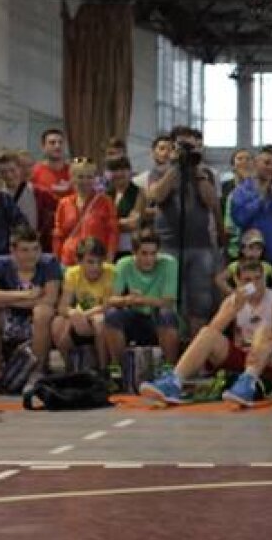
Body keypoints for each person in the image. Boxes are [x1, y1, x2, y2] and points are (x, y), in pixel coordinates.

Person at [140, 259, 272, 407]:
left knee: (263, 328)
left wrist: (263, 350)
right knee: (207, 333)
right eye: (248, 280)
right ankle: (174, 381)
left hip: (270, 356)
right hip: (243, 354)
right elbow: (212, 331)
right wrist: (234, 309)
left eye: (259, 278)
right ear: (238, 282)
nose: (255, 284)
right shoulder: (233, 301)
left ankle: (248, 382)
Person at [147, 127, 222, 331]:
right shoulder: (159, 171)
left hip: (200, 245)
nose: (188, 151)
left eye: (192, 146)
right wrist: (175, 167)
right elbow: (156, 196)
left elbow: (212, 202)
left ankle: (196, 350)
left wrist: (195, 171)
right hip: (169, 245)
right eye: (183, 146)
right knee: (171, 300)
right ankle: (173, 348)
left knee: (201, 301)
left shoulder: (204, 173)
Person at [0, 226, 62, 395]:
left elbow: (49, 300)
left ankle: (37, 372)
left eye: (36, 249)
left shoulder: (49, 263)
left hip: (36, 320)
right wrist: (24, 295)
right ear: (12, 250)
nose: (31, 255)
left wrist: (4, 300)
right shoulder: (1, 263)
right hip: (9, 318)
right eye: (25, 250)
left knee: (42, 311)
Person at [103, 229, 182, 367]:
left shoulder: (169, 263)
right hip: (135, 316)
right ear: (134, 252)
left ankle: (170, 368)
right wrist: (128, 299)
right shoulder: (124, 264)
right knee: (112, 315)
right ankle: (119, 367)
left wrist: (142, 300)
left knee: (167, 314)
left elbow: (168, 301)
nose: (149, 259)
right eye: (144, 254)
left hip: (157, 318)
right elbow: (110, 299)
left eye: (153, 254)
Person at [229, 144, 272, 294]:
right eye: (266, 163)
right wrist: (260, 197)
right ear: (256, 163)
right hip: (251, 261)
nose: (270, 167)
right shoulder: (242, 190)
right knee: (250, 306)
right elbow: (239, 219)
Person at [52, 237, 115, 370]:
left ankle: (103, 370)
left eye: (99, 262)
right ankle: (73, 368)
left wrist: (83, 315)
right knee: (57, 324)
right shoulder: (72, 274)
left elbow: (107, 305)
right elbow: (62, 306)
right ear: (79, 261)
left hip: (101, 318)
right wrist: (72, 312)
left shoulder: (111, 272)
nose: (96, 267)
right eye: (90, 262)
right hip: (82, 320)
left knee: (100, 321)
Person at [52, 158, 117, 266]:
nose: (85, 181)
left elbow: (113, 232)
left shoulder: (106, 202)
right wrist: (56, 260)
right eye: (80, 176)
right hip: (69, 261)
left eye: (89, 177)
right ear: (72, 178)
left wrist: (110, 256)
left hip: (96, 262)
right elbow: (58, 235)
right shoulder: (64, 203)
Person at [29, 129, 73, 240]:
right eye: (52, 143)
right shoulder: (34, 172)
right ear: (43, 147)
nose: (57, 146)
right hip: (44, 232)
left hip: (70, 230)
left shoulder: (74, 172)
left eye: (60, 142)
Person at [0, 150, 47, 242]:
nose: (9, 175)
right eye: (3, 172)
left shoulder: (39, 193)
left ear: (20, 169)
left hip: (32, 245)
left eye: (12, 170)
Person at [214, 229, 272, 298]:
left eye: (258, 249)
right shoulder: (235, 265)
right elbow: (219, 279)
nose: (255, 252)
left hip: (261, 301)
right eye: (251, 248)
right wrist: (232, 293)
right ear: (243, 249)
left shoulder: (265, 266)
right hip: (242, 302)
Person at [105, 156, 145, 262]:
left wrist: (110, 224)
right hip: (109, 249)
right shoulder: (105, 193)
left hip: (130, 248)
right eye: (114, 170)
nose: (118, 173)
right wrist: (121, 222)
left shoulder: (139, 192)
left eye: (122, 169)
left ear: (129, 171)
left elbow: (133, 224)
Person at [220, 148, 255, 262]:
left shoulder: (258, 187)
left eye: (248, 159)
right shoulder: (224, 187)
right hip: (230, 241)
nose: (244, 161)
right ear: (233, 165)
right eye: (240, 159)